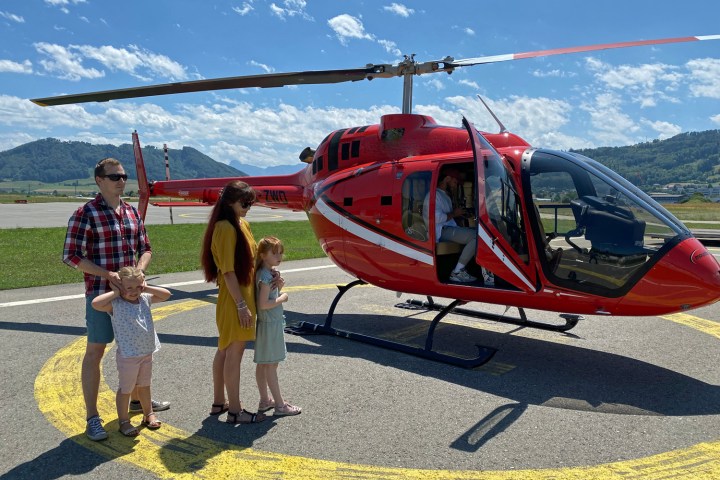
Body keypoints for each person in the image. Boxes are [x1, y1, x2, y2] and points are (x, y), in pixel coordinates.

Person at [63, 157, 170, 442]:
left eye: (123, 176)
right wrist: (108, 275)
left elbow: (145, 248)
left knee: (138, 352)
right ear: (99, 180)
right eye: (114, 177)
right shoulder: (85, 213)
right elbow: (71, 256)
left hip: (133, 298)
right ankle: (92, 417)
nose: (121, 180)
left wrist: (139, 274)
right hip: (103, 295)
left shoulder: (132, 212)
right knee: (95, 352)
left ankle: (138, 402)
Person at [200, 180, 266, 424]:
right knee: (234, 352)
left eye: (251, 202)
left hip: (241, 292)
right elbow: (228, 271)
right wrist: (241, 305)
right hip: (235, 295)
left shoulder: (241, 224)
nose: (248, 206)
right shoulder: (226, 228)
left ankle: (220, 403)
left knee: (225, 349)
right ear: (229, 202)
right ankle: (236, 410)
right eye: (244, 202)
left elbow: (252, 259)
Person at [91, 267, 172, 436]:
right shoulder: (116, 304)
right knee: (126, 389)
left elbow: (166, 294)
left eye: (138, 287)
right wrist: (115, 292)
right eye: (129, 288)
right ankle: (124, 421)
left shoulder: (144, 298)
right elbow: (95, 304)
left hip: (146, 352)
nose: (134, 291)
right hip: (128, 355)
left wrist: (146, 287)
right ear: (120, 287)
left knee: (144, 385)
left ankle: (148, 413)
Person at [254, 237, 301, 417]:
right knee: (271, 365)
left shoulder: (264, 273)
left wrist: (278, 287)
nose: (279, 256)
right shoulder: (265, 276)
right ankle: (280, 406)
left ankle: (265, 400)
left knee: (263, 364)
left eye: (280, 252)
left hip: (266, 323)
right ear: (263, 255)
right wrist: (283, 297)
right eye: (274, 253)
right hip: (270, 323)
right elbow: (264, 304)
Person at [423, 169, 493, 284]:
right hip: (441, 231)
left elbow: (449, 217)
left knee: (481, 232)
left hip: (448, 228)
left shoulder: (444, 195)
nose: (456, 185)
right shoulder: (434, 195)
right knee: (478, 237)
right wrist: (455, 213)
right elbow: (436, 218)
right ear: (447, 179)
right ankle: (457, 271)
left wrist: (460, 216)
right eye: (455, 182)